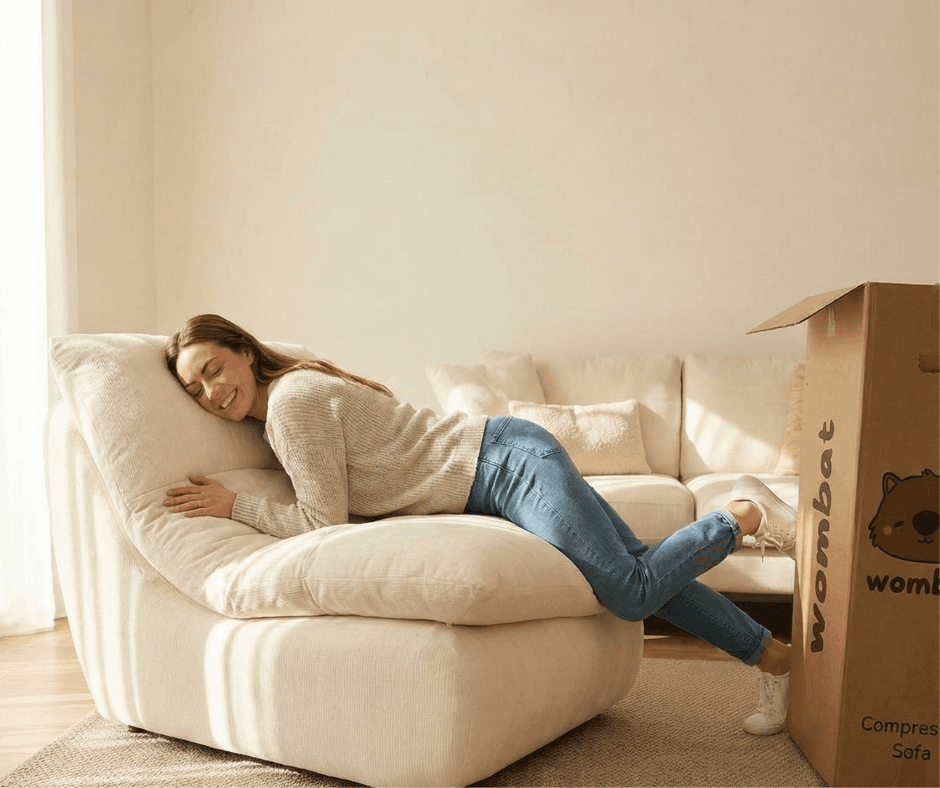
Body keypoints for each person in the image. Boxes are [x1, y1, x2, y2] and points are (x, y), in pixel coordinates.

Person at [164, 314, 797, 737]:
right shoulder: (286, 407)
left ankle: (740, 515)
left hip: (504, 466)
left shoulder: (292, 403)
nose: (210, 393)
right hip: (502, 466)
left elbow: (319, 520)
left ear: (244, 352)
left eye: (214, 369)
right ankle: (771, 657)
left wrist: (238, 506)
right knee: (635, 569)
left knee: (627, 591)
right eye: (194, 389)